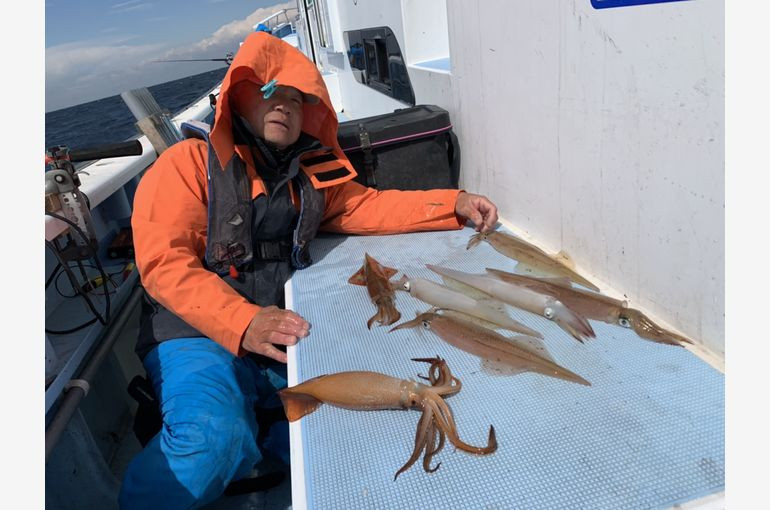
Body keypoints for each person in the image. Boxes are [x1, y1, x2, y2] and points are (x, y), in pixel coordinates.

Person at [119, 31, 498, 509]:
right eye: (269, 93)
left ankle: (259, 419)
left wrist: (455, 202)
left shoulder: (312, 177)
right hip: (193, 333)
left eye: (297, 99)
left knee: (338, 434)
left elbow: (373, 208)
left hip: (276, 326)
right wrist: (243, 322)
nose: (284, 106)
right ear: (239, 98)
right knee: (211, 443)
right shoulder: (187, 165)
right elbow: (163, 263)